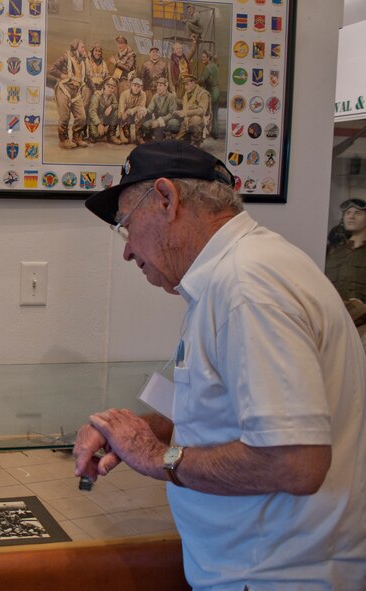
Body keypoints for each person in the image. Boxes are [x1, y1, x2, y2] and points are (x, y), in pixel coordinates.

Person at [76, 139, 366, 589]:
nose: (128, 251)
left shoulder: (247, 285)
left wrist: (157, 456)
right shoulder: (238, 273)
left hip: (278, 576)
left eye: (126, 225)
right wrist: (148, 429)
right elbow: (237, 414)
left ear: (168, 200)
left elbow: (296, 463)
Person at [325, 197, 366, 335]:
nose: (351, 217)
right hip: (331, 320)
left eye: (358, 213)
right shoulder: (331, 251)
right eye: (348, 213)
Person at [49, 38, 90, 149]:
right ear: (75, 47)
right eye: (82, 47)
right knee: (65, 116)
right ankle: (63, 140)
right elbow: (52, 69)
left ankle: (76, 137)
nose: (84, 49)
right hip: (64, 88)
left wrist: (95, 89)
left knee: (82, 117)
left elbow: (87, 77)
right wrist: (62, 75)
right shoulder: (65, 57)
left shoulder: (83, 61)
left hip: (76, 91)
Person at [174, 73, 210, 147]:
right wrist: (174, 99)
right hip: (187, 120)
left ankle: (196, 142)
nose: (185, 87)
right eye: (185, 85)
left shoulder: (203, 94)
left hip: (200, 120)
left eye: (187, 84)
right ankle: (188, 138)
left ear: (193, 83)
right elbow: (186, 103)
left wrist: (185, 113)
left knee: (195, 120)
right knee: (177, 141)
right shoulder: (188, 93)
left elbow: (202, 111)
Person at [140, 77, 180, 142]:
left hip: (168, 120)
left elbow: (172, 113)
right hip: (157, 120)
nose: (158, 88)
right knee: (145, 125)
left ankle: (171, 136)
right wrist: (143, 112)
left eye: (160, 85)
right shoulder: (155, 97)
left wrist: (159, 121)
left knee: (174, 123)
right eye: (157, 85)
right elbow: (150, 109)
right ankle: (153, 136)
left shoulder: (171, 97)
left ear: (166, 86)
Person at [88, 77, 121, 144]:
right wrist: (99, 124)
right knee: (96, 135)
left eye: (112, 88)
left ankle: (111, 135)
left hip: (105, 118)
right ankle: (95, 134)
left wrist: (111, 106)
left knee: (116, 112)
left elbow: (116, 104)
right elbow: (92, 112)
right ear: (104, 86)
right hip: (96, 119)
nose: (110, 89)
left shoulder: (112, 96)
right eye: (108, 87)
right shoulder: (97, 96)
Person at [115, 77, 146, 145]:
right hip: (125, 116)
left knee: (142, 111)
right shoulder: (124, 94)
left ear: (141, 88)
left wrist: (131, 111)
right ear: (131, 85)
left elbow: (141, 106)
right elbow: (121, 108)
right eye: (135, 85)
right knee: (126, 140)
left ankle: (138, 135)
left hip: (135, 115)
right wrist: (123, 115)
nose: (136, 88)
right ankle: (124, 131)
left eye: (138, 86)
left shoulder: (143, 94)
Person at [197, 49, 220, 138]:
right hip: (217, 91)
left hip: (211, 91)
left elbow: (202, 80)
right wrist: (216, 59)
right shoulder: (215, 65)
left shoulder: (207, 68)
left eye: (204, 57)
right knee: (215, 112)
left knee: (206, 112)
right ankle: (215, 133)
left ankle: (204, 132)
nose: (202, 59)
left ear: (208, 58)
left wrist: (194, 81)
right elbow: (217, 64)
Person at [169, 35, 198, 99]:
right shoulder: (171, 63)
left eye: (180, 48)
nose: (179, 50)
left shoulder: (185, 57)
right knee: (179, 101)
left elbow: (192, 51)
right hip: (179, 86)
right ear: (173, 51)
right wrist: (173, 91)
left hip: (188, 84)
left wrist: (194, 42)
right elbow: (171, 78)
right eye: (177, 49)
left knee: (188, 101)